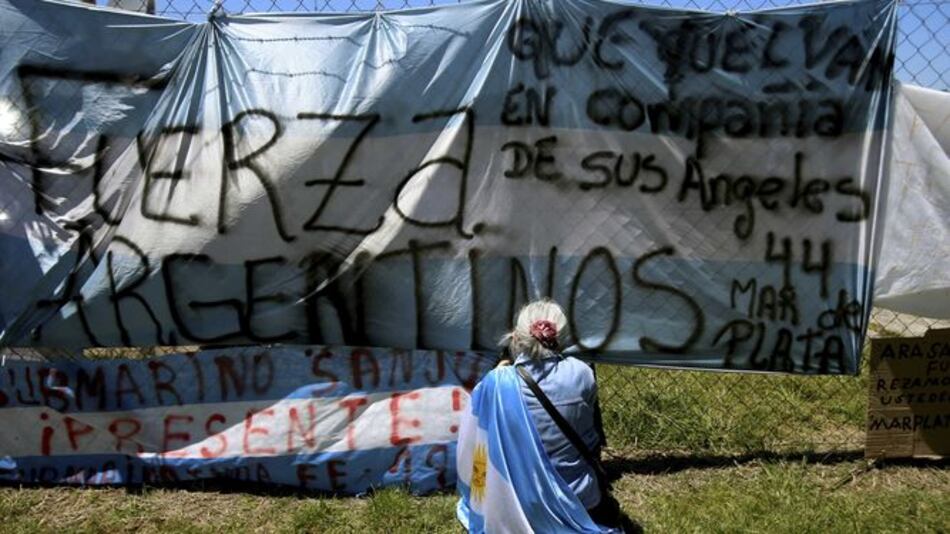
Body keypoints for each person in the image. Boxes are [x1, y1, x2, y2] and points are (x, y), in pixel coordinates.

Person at [455, 299, 633, 532]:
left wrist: (497, 372)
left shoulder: (498, 382)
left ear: (517, 336)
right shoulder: (583, 374)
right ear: (561, 336)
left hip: (519, 503)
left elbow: (475, 437)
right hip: (582, 499)